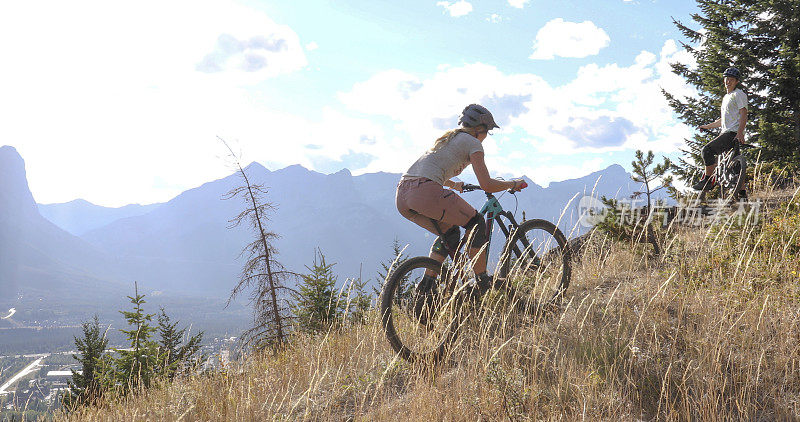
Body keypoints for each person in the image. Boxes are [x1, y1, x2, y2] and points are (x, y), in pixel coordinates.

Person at [395, 104, 528, 298]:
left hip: (403, 196)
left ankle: (425, 290)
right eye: (487, 132)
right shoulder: (473, 143)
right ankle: (482, 281)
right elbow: (487, 185)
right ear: (479, 130)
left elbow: (427, 169)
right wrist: (512, 183)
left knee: (450, 233)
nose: (486, 137)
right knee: (476, 222)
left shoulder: (448, 139)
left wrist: (453, 184)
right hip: (425, 192)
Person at [693, 67, 748, 194]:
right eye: (727, 79)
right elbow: (722, 120)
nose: (728, 82)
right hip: (728, 132)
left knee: (707, 150)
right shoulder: (726, 97)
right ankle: (742, 195)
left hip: (732, 133)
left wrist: (740, 132)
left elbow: (744, 114)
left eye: (732, 80)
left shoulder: (738, 94)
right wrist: (706, 126)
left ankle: (708, 180)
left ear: (736, 82)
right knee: (736, 168)